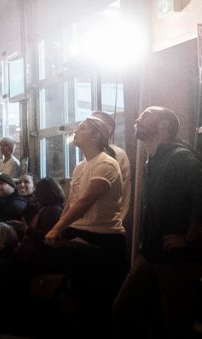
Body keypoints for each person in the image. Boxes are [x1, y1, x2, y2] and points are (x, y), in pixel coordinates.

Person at [114, 107, 202, 339]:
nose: (137, 119)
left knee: (175, 327)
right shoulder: (154, 159)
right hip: (151, 255)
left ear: (164, 125)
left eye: (146, 115)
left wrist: (189, 237)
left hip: (177, 261)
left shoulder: (180, 157)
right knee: (124, 311)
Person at [45, 114, 126, 335]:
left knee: (99, 305)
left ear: (96, 135)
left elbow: (85, 201)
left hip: (104, 241)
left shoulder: (107, 164)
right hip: (81, 238)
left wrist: (58, 229)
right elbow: (71, 202)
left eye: (81, 128)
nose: (76, 132)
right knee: (82, 301)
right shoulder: (81, 167)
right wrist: (60, 226)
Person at [92, 110, 132, 222]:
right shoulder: (91, 155)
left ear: (106, 129)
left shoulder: (114, 154)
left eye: (92, 124)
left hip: (105, 224)